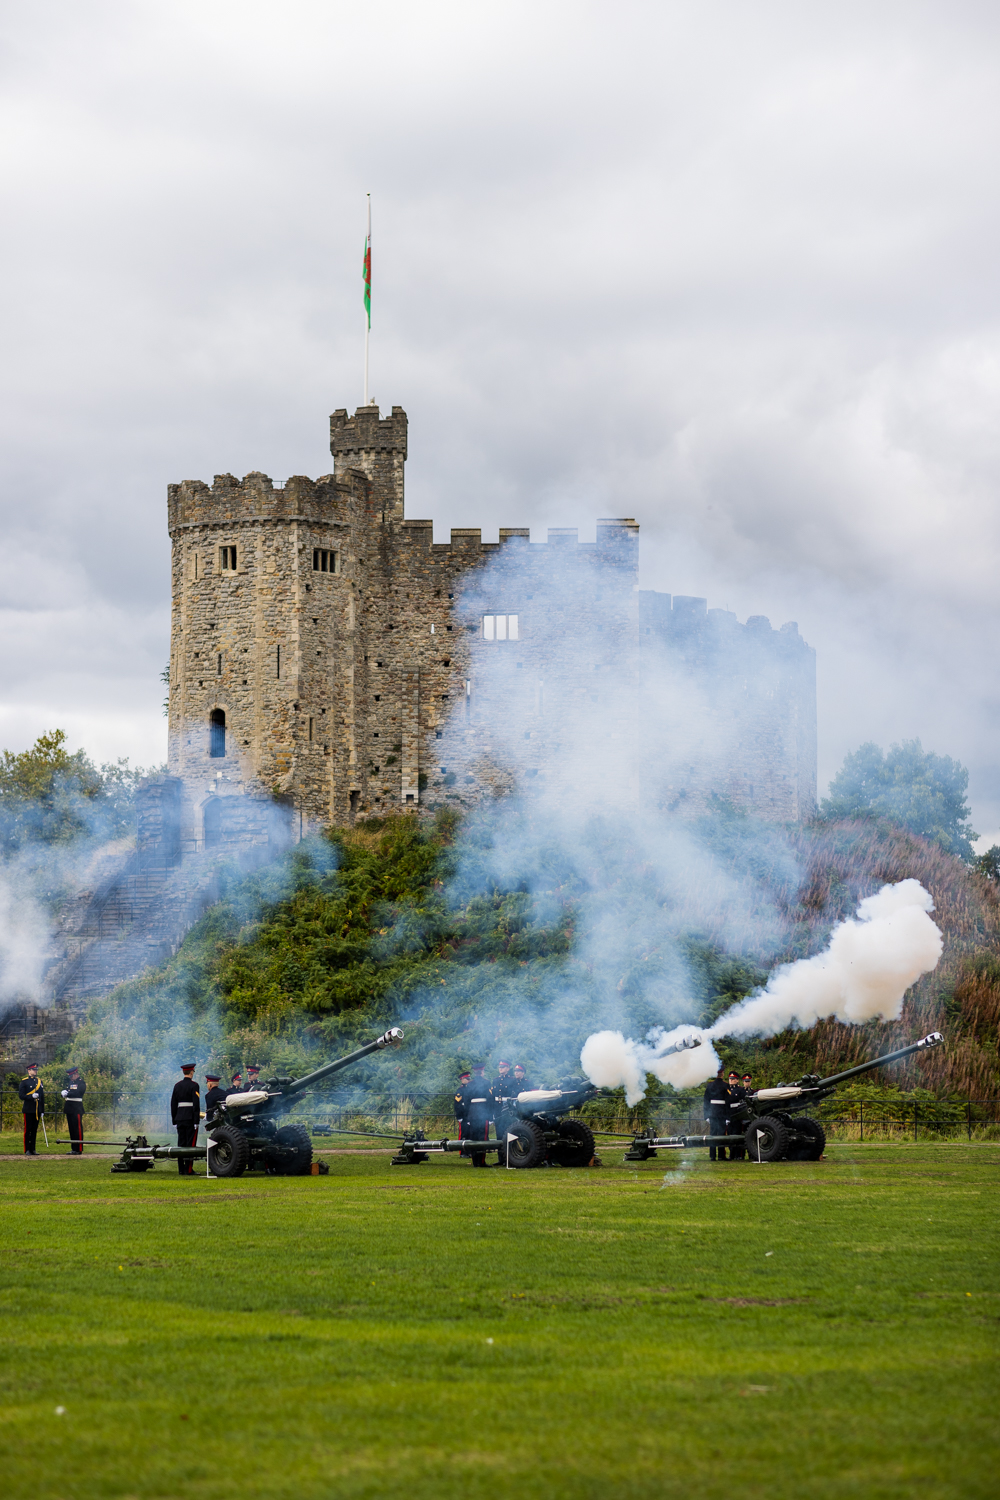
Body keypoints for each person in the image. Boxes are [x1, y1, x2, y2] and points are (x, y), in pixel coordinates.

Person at [170, 1063, 201, 1176]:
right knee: (190, 1144)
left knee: (181, 1143)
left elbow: (173, 1104)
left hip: (179, 1117)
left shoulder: (177, 1085)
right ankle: (188, 1169)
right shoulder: (194, 1085)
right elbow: (196, 1105)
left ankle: (181, 1169)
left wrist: (174, 1120)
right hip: (190, 1118)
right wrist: (196, 1120)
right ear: (191, 1072)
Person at [465, 1064, 491, 1167]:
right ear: (482, 1072)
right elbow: (489, 1099)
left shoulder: (470, 1084)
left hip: (472, 1112)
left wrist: (468, 1115)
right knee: (482, 1137)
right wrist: (490, 1114)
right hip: (483, 1112)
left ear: (475, 1073)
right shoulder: (487, 1082)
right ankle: (481, 1161)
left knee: (474, 1137)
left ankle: (475, 1161)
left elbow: (466, 1101)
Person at [19, 1063, 45, 1156]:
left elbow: (42, 1097)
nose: (35, 1071)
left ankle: (33, 1149)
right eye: (34, 1070)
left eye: (36, 1070)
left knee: (34, 1130)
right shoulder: (24, 1082)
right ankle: (27, 1149)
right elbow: (21, 1096)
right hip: (28, 1109)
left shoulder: (39, 1081)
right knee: (28, 1130)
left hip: (37, 1110)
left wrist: (42, 1110)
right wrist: (31, 1096)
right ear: (29, 1071)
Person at [703, 1067, 728, 1161]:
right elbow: (728, 1102)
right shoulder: (726, 1085)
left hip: (712, 1113)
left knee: (712, 1134)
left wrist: (706, 1115)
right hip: (722, 1113)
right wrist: (728, 1117)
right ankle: (721, 1156)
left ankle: (712, 1156)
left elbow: (706, 1101)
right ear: (722, 1074)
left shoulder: (710, 1085)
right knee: (721, 1134)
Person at [60, 1067, 86, 1155]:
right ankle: (74, 1148)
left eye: (71, 1076)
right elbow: (68, 1091)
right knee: (72, 1129)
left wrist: (68, 1093)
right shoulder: (71, 1082)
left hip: (76, 1108)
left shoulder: (81, 1083)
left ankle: (79, 1148)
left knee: (77, 1129)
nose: (70, 1078)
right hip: (69, 1108)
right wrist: (63, 1093)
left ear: (76, 1074)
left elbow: (79, 1093)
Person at [725, 1071, 747, 1160]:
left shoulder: (740, 1090)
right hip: (729, 1114)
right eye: (730, 1079)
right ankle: (731, 1154)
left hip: (737, 1113)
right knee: (730, 1133)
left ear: (737, 1080)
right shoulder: (726, 1089)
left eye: (733, 1079)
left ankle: (738, 1154)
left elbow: (744, 1102)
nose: (731, 1080)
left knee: (737, 1133)